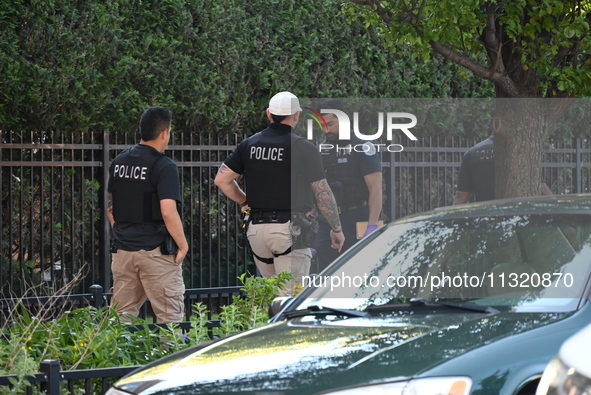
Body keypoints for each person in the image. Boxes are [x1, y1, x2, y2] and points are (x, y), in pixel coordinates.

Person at [214, 91, 345, 296]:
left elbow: (221, 179)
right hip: (291, 232)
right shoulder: (304, 148)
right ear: (297, 115)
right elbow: (322, 192)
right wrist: (336, 228)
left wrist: (244, 201)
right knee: (291, 299)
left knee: (270, 297)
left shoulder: (249, 144)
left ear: (269, 114)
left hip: (257, 231)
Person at [107, 106, 188, 323]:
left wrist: (121, 232)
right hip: (155, 252)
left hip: (123, 251)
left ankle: (120, 358)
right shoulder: (164, 165)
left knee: (121, 320)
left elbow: (110, 207)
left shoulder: (119, 162)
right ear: (164, 133)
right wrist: (183, 246)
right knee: (170, 322)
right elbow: (168, 212)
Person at [314, 99, 383, 273]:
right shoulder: (320, 149)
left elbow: (375, 189)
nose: (326, 129)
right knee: (326, 276)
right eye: (322, 125)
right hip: (327, 222)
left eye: (330, 123)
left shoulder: (363, 147)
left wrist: (372, 225)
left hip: (357, 218)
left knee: (358, 274)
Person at [454, 133, 552, 204]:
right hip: (517, 216)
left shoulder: (472, 153)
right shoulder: (520, 152)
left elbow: (461, 197)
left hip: (485, 218)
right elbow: (542, 189)